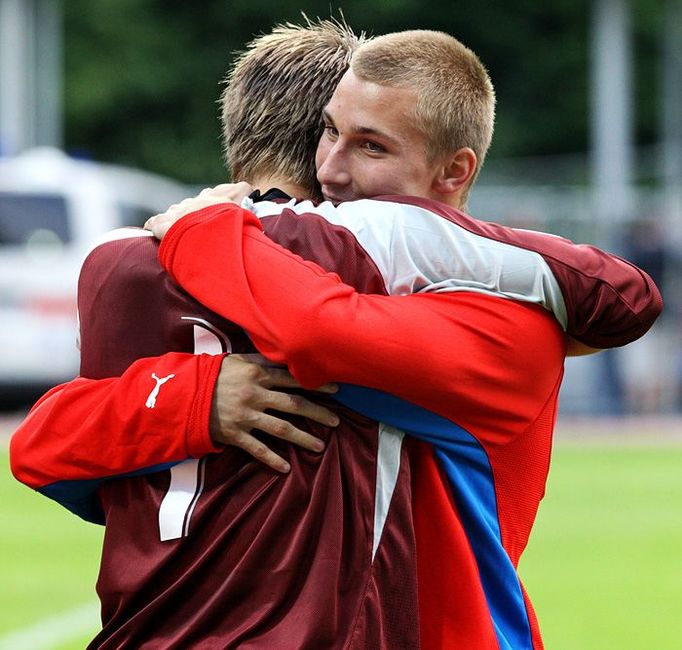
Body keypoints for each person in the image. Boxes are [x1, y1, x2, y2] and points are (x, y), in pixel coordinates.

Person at [10, 25, 661, 650]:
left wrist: (203, 234)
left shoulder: (136, 265)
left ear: (452, 171)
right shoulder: (493, 317)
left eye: (371, 146)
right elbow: (43, 446)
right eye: (328, 134)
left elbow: (318, 329)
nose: (335, 169)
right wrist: (194, 396)